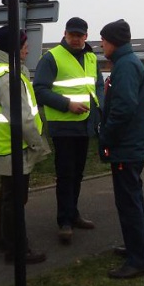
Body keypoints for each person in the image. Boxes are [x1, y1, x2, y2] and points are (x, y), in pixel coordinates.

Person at [0, 26, 51, 264]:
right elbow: (22, 118)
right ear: (14, 47)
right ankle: (18, 250)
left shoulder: (3, 70)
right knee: (15, 200)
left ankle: (6, 241)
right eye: (24, 44)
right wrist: (36, 145)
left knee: (8, 197)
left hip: (6, 145)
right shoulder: (7, 76)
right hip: (15, 147)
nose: (27, 48)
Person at [34, 17, 103, 245]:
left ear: (86, 35)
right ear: (65, 34)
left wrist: (99, 109)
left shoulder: (92, 57)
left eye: (80, 35)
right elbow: (40, 90)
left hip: (84, 126)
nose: (76, 39)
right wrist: (67, 104)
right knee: (65, 175)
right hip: (63, 126)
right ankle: (64, 221)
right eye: (72, 35)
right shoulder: (52, 57)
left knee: (78, 174)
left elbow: (98, 86)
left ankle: (73, 214)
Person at [98, 19, 144, 279]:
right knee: (133, 200)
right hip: (131, 145)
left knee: (129, 202)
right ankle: (136, 249)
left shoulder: (126, 66)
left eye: (104, 40)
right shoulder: (127, 63)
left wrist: (106, 136)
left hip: (126, 147)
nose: (101, 44)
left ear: (114, 41)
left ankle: (137, 260)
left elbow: (123, 108)